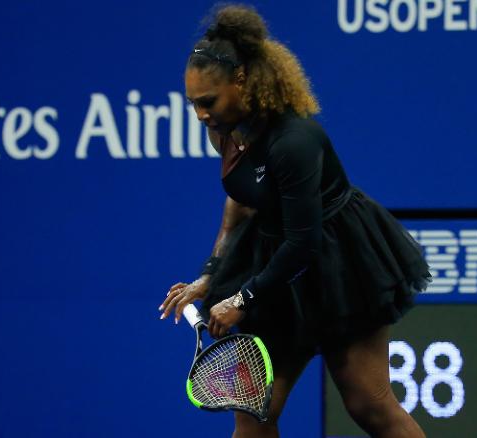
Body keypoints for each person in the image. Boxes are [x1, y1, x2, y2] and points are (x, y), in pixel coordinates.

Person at [159, 4, 432, 438]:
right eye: (192, 104)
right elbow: (242, 203)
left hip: (337, 262)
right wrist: (209, 276)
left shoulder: (295, 142)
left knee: (369, 403)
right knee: (254, 415)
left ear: (242, 80)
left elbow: (303, 243)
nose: (200, 115)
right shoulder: (225, 130)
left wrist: (241, 300)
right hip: (275, 266)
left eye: (207, 102)